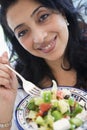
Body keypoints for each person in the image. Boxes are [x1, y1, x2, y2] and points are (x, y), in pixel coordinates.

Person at [0, 0, 87, 129]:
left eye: (43, 17)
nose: (39, 38)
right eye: (22, 32)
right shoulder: (14, 85)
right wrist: (4, 112)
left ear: (62, 12)